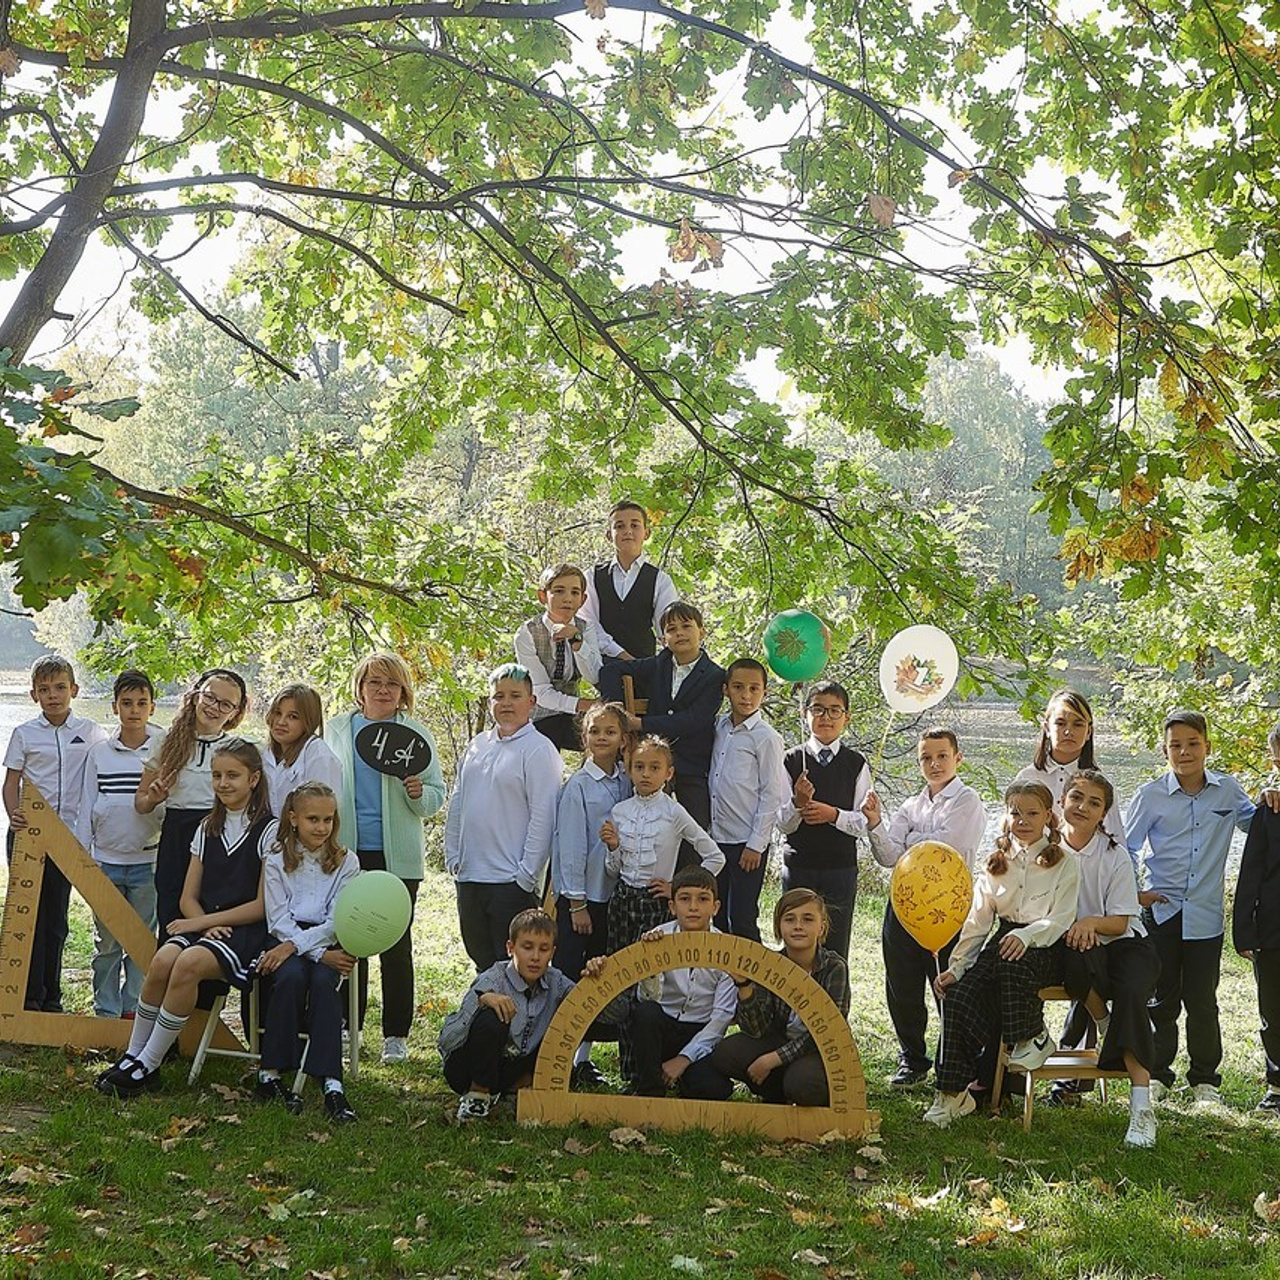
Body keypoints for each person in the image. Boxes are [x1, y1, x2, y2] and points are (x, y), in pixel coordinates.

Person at [97, 739, 274, 1098]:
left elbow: (262, 906)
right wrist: (205, 923)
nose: (223, 783)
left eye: (233, 776)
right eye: (217, 775)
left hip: (245, 932)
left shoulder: (269, 831)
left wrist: (197, 925)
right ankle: (134, 1055)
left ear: (254, 779)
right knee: (162, 961)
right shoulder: (207, 827)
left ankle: (149, 1062)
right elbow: (187, 898)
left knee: (188, 963)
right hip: (207, 924)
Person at [924, 782, 1079, 1128]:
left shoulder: (1065, 863)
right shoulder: (996, 862)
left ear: (1048, 818)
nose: (1023, 820)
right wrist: (957, 967)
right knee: (958, 996)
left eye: (1032, 813)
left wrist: (1027, 936)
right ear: (1006, 817)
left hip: (1046, 945)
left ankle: (1031, 1036)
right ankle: (952, 1094)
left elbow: (1061, 919)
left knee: (1013, 960)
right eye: (1015, 813)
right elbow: (978, 921)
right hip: (1004, 940)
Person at [1125, 709, 1256, 1105]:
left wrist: (1271, 796)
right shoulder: (1150, 796)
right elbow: (1125, 849)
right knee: (1161, 998)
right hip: (1161, 912)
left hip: (1206, 915)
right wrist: (1135, 894)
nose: (1184, 752)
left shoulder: (1228, 792)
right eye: (1175, 745)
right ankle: (1160, 1075)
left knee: (1202, 1000)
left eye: (1192, 743)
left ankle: (1204, 1081)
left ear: (1207, 747)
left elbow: (1259, 825)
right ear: (1164, 751)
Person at [327, 652, 446, 1064]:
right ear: (359, 688)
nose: (382, 690)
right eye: (374, 682)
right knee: (347, 940)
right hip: (347, 856)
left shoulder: (415, 735)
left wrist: (418, 794)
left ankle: (396, 1036)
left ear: (402, 693)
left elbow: (436, 795)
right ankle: (348, 1030)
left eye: (391, 684)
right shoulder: (338, 730)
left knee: (396, 947)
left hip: (399, 861)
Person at [862, 726, 987, 1087]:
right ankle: (913, 1058)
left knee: (950, 983)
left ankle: (958, 1060)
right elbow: (888, 856)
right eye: (926, 758)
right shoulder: (910, 805)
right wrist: (874, 824)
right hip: (904, 905)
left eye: (941, 756)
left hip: (949, 908)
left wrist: (910, 841)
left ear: (957, 758)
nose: (934, 764)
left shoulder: (968, 802)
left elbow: (943, 849)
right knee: (902, 985)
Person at [1059, 770, 1161, 1148]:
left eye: (1094, 803)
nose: (1083, 807)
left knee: (1133, 991)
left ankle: (1141, 1108)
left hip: (1125, 943)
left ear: (1104, 813)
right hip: (1077, 944)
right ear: (1063, 801)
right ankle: (1104, 1021)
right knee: (1072, 954)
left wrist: (1089, 922)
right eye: (1077, 798)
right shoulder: (1048, 850)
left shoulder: (1115, 855)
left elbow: (1119, 922)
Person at [3, 655, 107, 1012]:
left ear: (74, 690)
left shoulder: (92, 733)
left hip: (68, 836)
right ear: (34, 695)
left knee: (56, 921)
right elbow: (11, 781)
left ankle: (51, 997)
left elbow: (104, 774)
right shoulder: (24, 734)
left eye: (60, 688)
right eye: (44, 690)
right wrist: (14, 815)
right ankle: (25, 996)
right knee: (27, 917)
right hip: (27, 836)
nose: (53, 696)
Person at [254, 782, 361, 1123]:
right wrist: (304, 951)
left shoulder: (347, 861)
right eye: (313, 818)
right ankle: (270, 1073)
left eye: (328, 819)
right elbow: (277, 918)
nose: (321, 827)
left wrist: (313, 952)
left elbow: (336, 920)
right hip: (284, 937)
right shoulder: (275, 858)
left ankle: (331, 1082)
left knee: (324, 984)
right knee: (290, 977)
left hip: (326, 938)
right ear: (293, 818)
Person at [446, 664, 563, 973]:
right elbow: (458, 800)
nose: (507, 703)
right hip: (470, 877)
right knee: (481, 963)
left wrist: (525, 875)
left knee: (511, 970)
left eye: (515, 695)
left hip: (510, 882)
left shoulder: (540, 750)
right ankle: (485, 1020)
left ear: (532, 702)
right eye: (499, 696)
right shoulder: (476, 746)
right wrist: (454, 856)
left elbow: (544, 815)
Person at [439, 908, 604, 1123]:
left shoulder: (557, 981)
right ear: (511, 948)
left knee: (563, 1020)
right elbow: (447, 1040)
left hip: (513, 1068)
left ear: (552, 953)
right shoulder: (493, 977)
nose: (535, 957)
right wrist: (480, 1000)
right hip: (467, 1069)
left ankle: (515, 1094)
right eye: (527, 947)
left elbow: (603, 1014)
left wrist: (597, 980)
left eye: (543, 949)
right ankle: (476, 1098)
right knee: (492, 1017)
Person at [703, 887, 851, 1104]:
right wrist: (744, 985)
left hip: (819, 1048)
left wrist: (773, 1059)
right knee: (726, 1052)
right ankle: (777, 1093)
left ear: (822, 927)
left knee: (803, 1085)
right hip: (780, 1039)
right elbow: (756, 1029)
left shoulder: (834, 968)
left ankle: (799, 1087)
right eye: (789, 919)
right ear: (779, 927)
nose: (798, 926)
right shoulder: (770, 964)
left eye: (807, 919)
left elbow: (827, 1033)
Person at [550, 702, 632, 1086]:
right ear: (585, 738)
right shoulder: (578, 787)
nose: (602, 737)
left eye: (610, 731)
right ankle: (557, 1056)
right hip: (584, 899)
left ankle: (583, 1059)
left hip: (618, 896)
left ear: (622, 739)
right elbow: (571, 847)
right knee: (572, 975)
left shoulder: (629, 780)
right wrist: (577, 903)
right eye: (595, 730)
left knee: (603, 977)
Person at [599, 601, 726, 847]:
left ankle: (687, 883)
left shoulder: (714, 675)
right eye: (671, 629)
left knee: (695, 832)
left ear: (702, 631)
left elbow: (693, 720)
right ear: (663, 638)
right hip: (652, 764)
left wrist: (640, 723)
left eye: (686, 626)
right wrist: (618, 714)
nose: (679, 633)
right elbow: (610, 672)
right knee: (647, 830)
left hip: (691, 764)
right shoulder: (659, 664)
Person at [78, 669, 167, 1019]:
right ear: (114, 708)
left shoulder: (161, 751)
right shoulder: (99, 753)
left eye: (141, 703)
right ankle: (106, 1010)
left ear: (152, 707)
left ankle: (134, 1008)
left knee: (143, 939)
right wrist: (86, 859)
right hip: (107, 860)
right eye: (126, 703)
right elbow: (86, 804)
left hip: (148, 861)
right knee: (108, 942)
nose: (134, 710)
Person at [135, 668, 249, 938]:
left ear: (235, 712)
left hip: (220, 838)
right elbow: (140, 803)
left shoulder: (240, 749)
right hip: (176, 838)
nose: (214, 707)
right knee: (172, 915)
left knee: (214, 919)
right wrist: (153, 797)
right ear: (196, 695)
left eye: (225, 704)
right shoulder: (165, 741)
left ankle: (210, 978)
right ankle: (171, 974)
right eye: (210, 697)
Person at [776, 680, 871, 963]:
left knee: (835, 946)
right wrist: (798, 803)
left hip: (839, 867)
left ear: (846, 717)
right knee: (795, 941)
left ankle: (833, 1005)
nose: (826, 718)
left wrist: (834, 815)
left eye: (834, 711)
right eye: (818, 710)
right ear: (806, 713)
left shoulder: (856, 763)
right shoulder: (791, 760)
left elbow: (865, 822)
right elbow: (782, 824)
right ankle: (791, 1004)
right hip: (799, 865)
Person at [622, 867, 737, 1097]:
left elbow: (722, 1017)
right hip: (660, 1029)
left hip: (699, 1032)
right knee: (646, 1013)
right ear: (672, 906)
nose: (693, 907)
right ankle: (649, 1089)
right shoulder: (658, 938)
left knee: (714, 1089)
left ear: (715, 907)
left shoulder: (727, 950)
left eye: (702, 899)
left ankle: (682, 1078)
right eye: (685, 899)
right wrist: (651, 965)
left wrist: (684, 1059)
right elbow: (646, 999)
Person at [602, 735, 724, 950]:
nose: (646, 774)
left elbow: (715, 856)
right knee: (618, 969)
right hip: (621, 902)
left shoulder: (674, 812)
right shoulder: (620, 811)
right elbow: (613, 871)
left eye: (655, 767)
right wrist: (613, 847)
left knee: (652, 971)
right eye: (639, 767)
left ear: (669, 773)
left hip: (656, 904)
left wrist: (676, 888)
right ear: (629, 771)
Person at [708, 658, 787, 941]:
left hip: (746, 844)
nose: (746, 695)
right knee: (716, 915)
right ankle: (720, 981)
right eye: (739, 687)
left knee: (741, 916)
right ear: (726, 689)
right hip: (716, 839)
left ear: (764, 693)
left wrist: (756, 844)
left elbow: (771, 794)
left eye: (754, 689)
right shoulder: (718, 727)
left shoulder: (767, 738)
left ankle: (751, 983)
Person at [1233, 724, 1280, 1118]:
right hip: (1273, 929)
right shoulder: (1269, 810)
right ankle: (1277, 1086)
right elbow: (1250, 873)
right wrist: (1243, 930)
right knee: (1274, 1009)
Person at [1015, 688, 1127, 848]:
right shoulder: (1026, 778)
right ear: (1046, 728)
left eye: (1078, 724)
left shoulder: (1102, 784)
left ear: (1089, 731)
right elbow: (1011, 837)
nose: (1068, 731)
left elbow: (1115, 841)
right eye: (1060, 723)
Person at [513, 563, 606, 751]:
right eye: (559, 591)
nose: (567, 599)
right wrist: (583, 704)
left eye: (574, 593)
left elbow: (595, 675)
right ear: (543, 596)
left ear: (582, 599)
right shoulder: (527, 633)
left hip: (573, 715)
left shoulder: (585, 628)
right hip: (538, 716)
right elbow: (540, 692)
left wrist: (577, 642)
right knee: (544, 746)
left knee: (608, 738)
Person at [579, 499, 679, 663]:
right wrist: (619, 653)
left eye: (634, 525)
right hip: (603, 668)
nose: (627, 531)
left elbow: (669, 629)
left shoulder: (660, 580)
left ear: (646, 533)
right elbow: (588, 625)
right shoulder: (592, 577)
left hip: (646, 670)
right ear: (608, 535)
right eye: (619, 526)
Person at [262, 683, 343, 816]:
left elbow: (323, 815)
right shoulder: (264, 753)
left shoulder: (319, 756)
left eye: (293, 716)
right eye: (278, 713)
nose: (281, 722)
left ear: (309, 721)